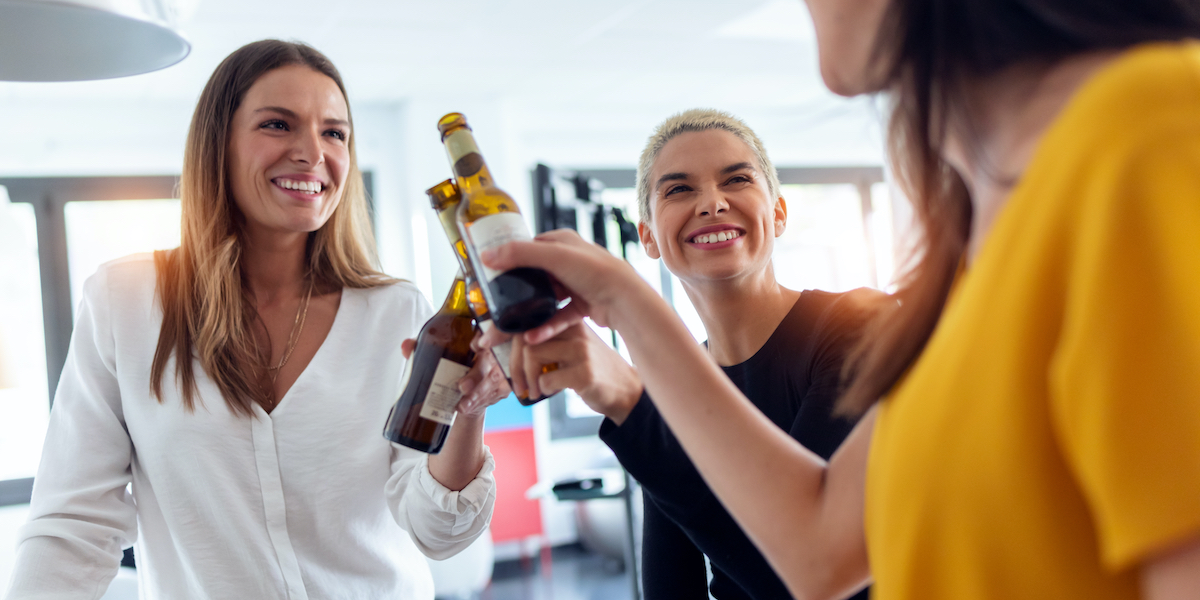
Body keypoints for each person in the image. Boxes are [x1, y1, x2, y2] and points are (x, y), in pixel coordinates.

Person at [480, 1, 1200, 598]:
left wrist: (629, 316)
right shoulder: (973, 253)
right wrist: (627, 320)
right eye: (679, 190)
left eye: (736, 181)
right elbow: (819, 550)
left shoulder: (1148, 135)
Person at [5, 40, 505, 599]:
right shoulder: (124, 303)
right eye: (277, 124)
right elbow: (74, 525)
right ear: (217, 145)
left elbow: (436, 530)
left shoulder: (399, 314)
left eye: (334, 132)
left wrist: (467, 412)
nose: (313, 152)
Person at [508, 108, 876, 599]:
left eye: (737, 179)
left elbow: (808, 576)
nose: (712, 203)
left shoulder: (856, 330)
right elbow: (670, 583)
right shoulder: (675, 381)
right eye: (679, 189)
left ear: (779, 213)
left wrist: (632, 400)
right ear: (648, 238)